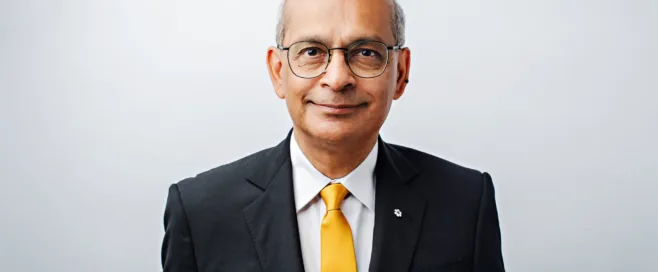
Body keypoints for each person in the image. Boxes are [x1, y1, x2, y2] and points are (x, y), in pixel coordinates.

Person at [161, 0, 506, 271]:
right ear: (278, 71)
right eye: (312, 52)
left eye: (366, 53)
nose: (337, 78)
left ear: (400, 73)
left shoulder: (465, 203)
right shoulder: (199, 212)